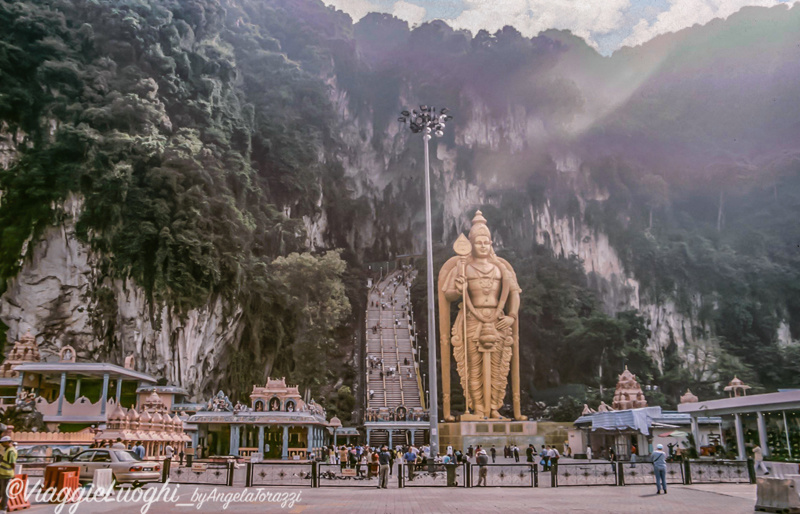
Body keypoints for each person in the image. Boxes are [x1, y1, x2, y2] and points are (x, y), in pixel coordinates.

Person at [0, 435, 17, 513]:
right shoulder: (7, 450)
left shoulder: (11, 451)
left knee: (4, 492)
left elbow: (13, 463)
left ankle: (3, 509)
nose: (1, 444)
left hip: (7, 474)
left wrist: (13, 473)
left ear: (7, 442)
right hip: (2, 473)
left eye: (3, 443)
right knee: (1, 491)